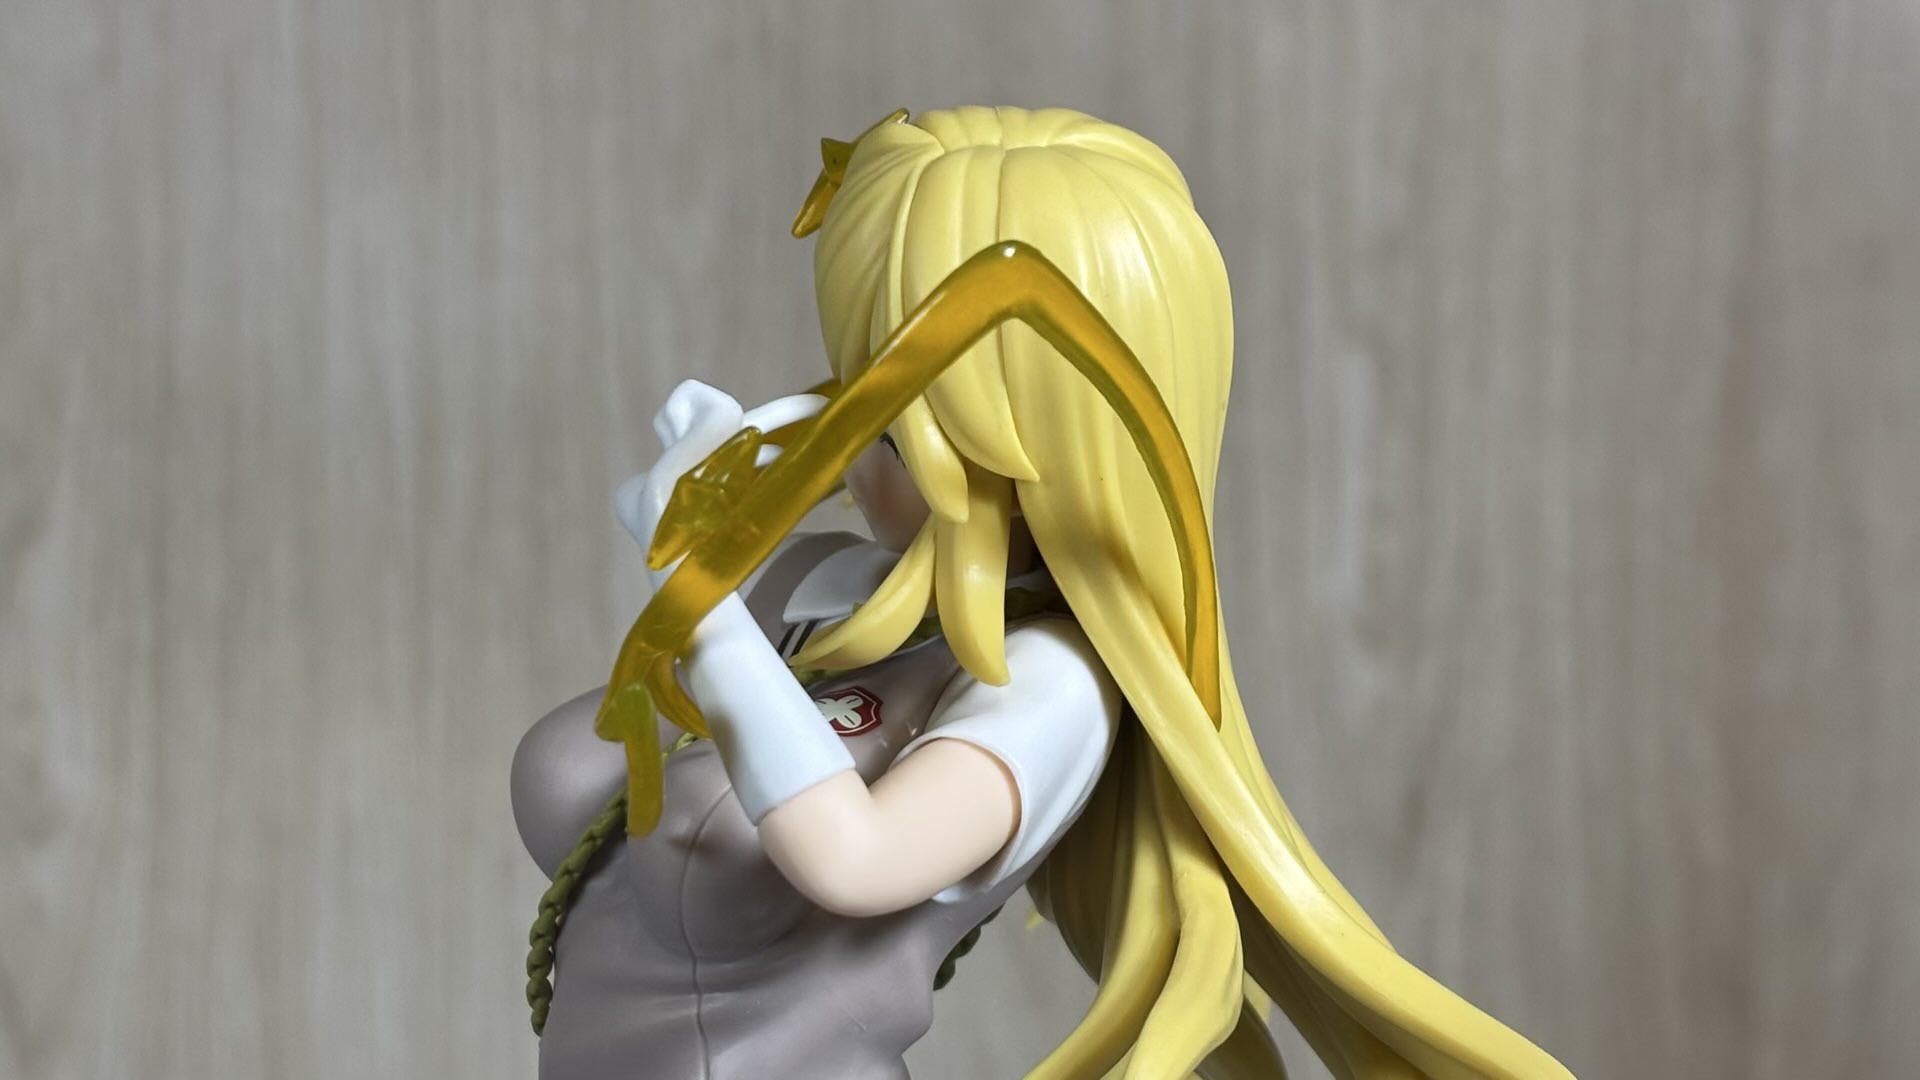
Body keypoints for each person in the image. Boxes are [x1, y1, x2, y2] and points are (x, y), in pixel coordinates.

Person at [512, 105, 1575, 1080]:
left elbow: (855, 858)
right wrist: (736, 509)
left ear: (1033, 447)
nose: (844, 437)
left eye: (888, 421)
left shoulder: (1046, 687)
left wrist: (697, 598)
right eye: (849, 390)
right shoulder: (810, 590)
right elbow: (606, 773)